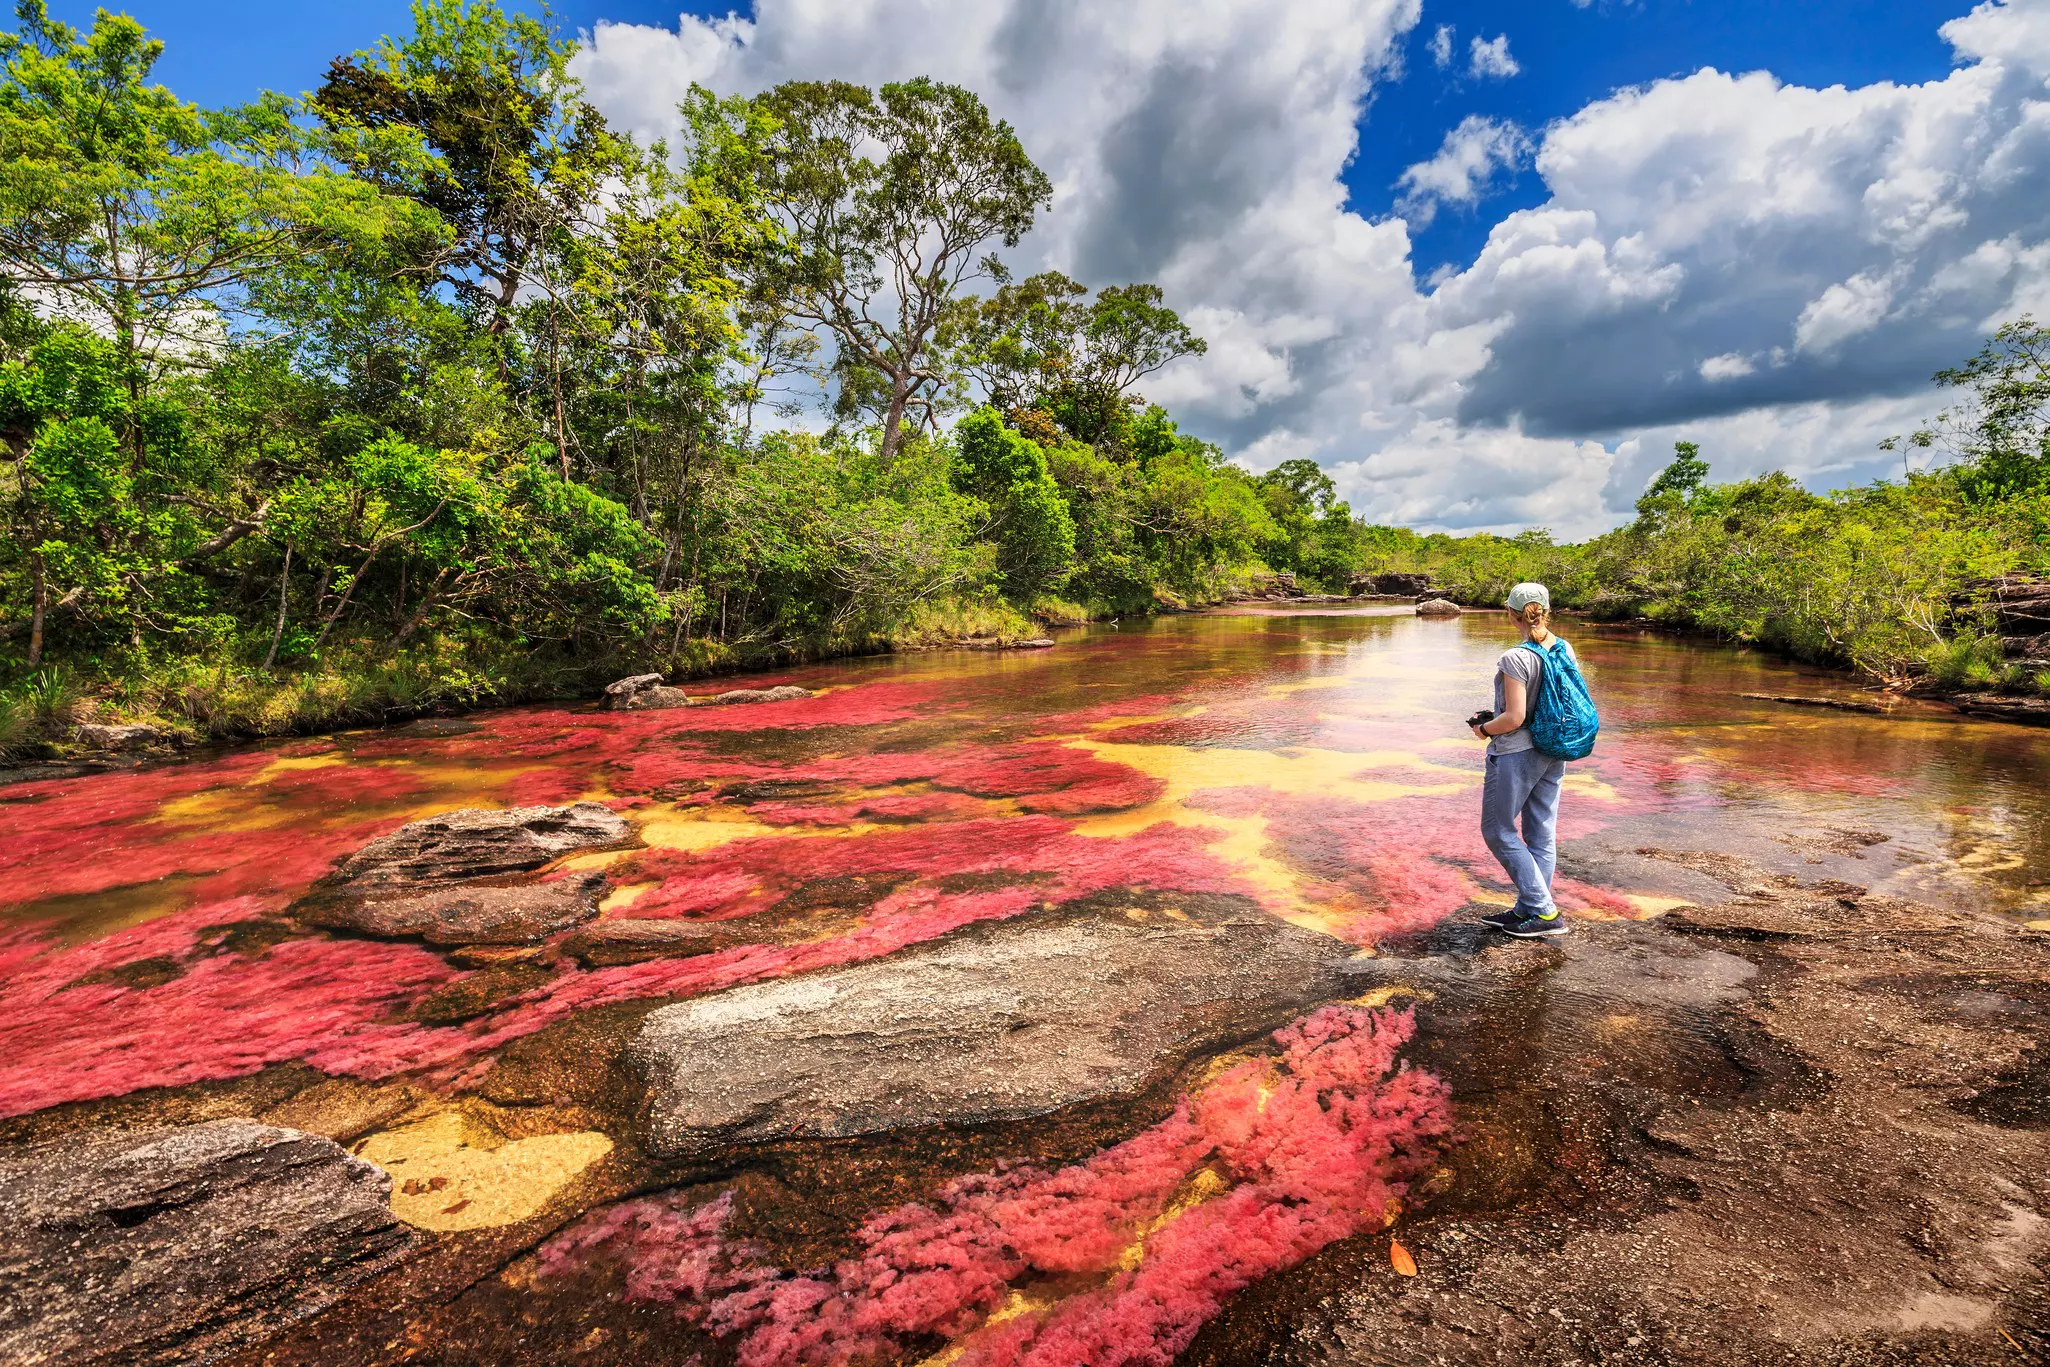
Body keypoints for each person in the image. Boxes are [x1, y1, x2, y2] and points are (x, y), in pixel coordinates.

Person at [1470, 582, 1573, 938]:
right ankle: (1529, 909)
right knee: (1540, 832)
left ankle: (1544, 912)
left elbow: (1513, 718)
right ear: (1545, 609)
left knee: (1497, 830)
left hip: (1517, 752)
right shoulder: (1564, 648)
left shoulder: (1515, 657)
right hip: (1554, 747)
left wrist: (1484, 729)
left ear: (1510, 612)